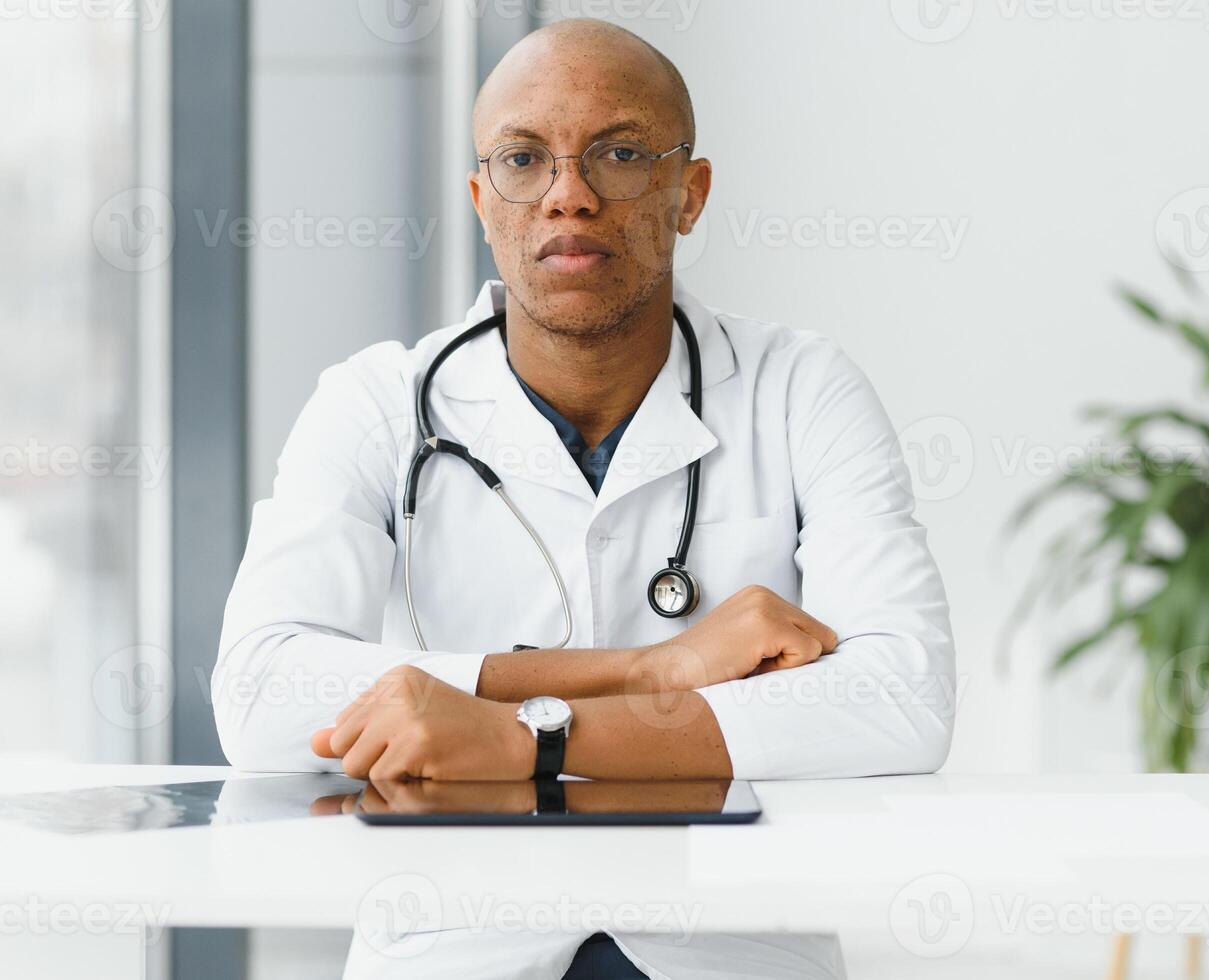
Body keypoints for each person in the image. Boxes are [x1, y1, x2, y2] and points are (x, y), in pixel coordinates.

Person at [213, 18, 954, 979]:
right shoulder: (374, 403)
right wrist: (664, 670)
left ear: (690, 194)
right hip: (455, 943)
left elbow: (903, 700)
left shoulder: (800, 389)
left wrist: (518, 740)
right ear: (484, 201)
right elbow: (261, 695)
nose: (570, 194)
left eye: (620, 153)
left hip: (730, 945)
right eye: (525, 159)